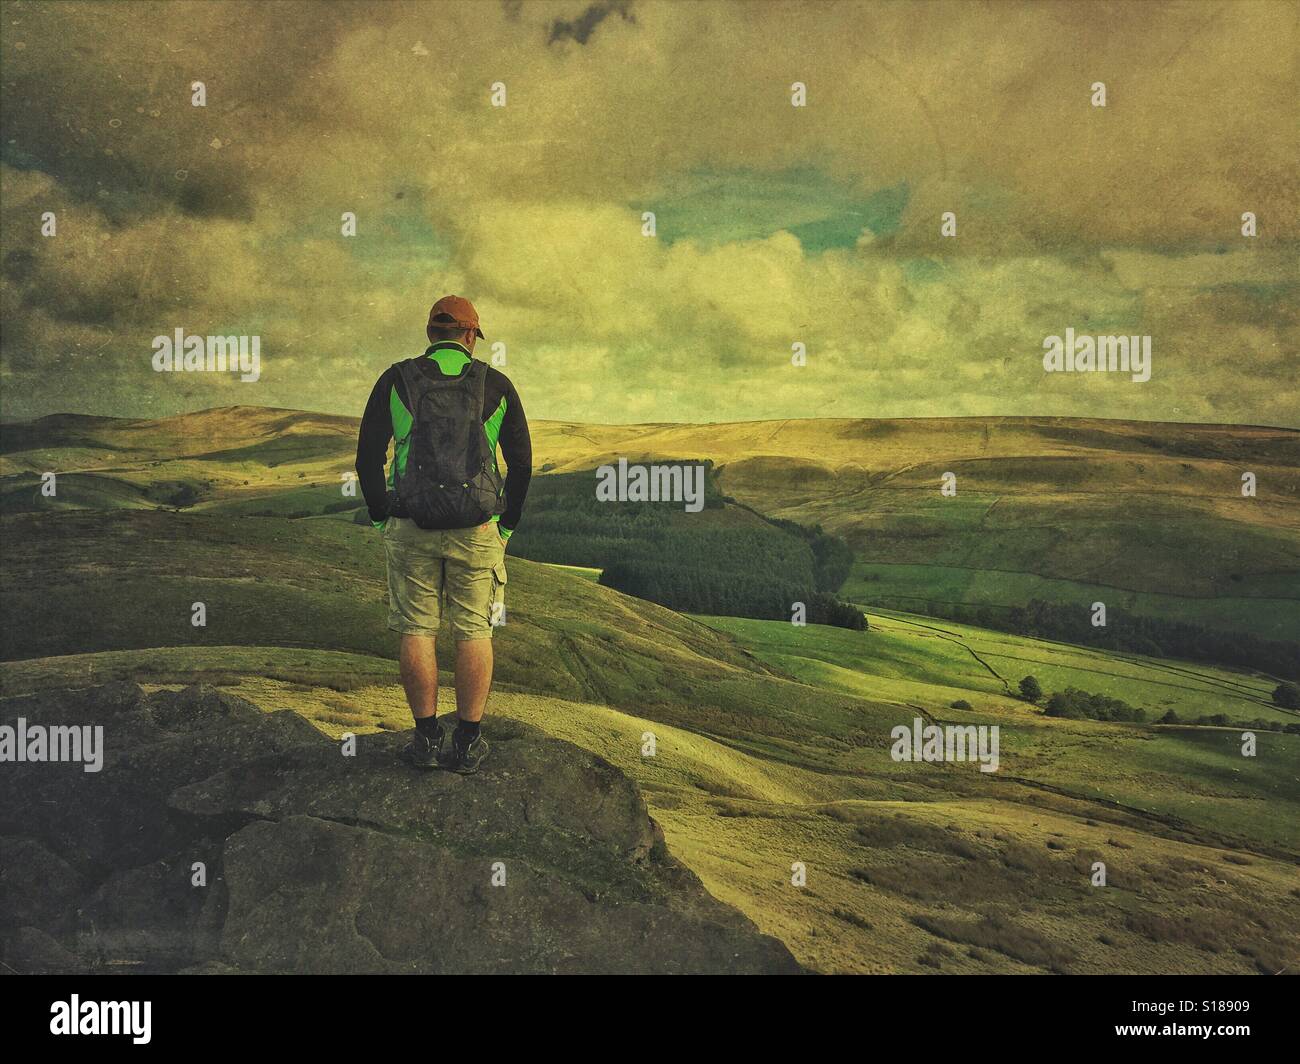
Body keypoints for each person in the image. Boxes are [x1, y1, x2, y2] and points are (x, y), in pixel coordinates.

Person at [355, 295, 531, 773]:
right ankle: (469, 742)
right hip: (477, 529)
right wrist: (507, 524)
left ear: (431, 334)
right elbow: (520, 465)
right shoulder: (496, 384)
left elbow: (368, 457)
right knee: (474, 630)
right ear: (472, 335)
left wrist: (380, 516)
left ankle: (426, 739)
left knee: (417, 629)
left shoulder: (396, 380)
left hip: (411, 524)